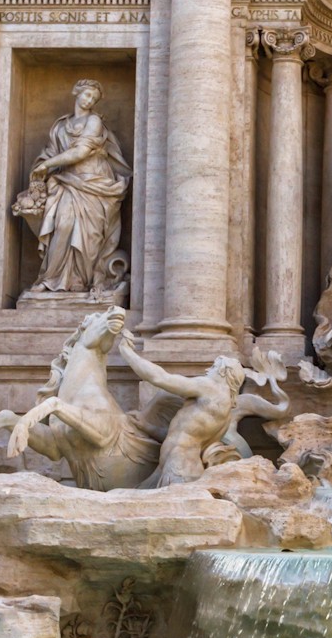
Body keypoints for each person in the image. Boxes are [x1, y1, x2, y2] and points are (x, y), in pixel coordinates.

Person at [26, 79, 130, 294]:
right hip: (67, 182)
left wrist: (47, 165)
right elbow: (51, 152)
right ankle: (52, 279)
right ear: (76, 92)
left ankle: (79, 281)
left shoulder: (94, 121)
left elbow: (80, 152)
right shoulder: (61, 126)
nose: (89, 100)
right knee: (63, 225)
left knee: (89, 235)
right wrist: (45, 168)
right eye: (86, 95)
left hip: (94, 184)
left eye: (94, 98)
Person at [117, 337, 247, 488]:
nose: (207, 371)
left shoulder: (210, 387)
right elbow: (183, 436)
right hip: (178, 467)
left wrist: (127, 353)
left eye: (213, 367)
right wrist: (147, 427)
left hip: (179, 469)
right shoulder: (225, 412)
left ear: (223, 371)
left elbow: (160, 377)